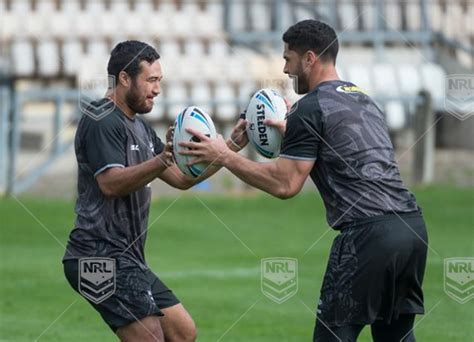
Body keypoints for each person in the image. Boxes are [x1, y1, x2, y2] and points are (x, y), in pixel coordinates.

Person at [179, 20, 428, 342]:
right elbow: (348, 153)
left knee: (331, 337)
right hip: (411, 230)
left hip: (368, 235)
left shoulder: (308, 108)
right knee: (395, 337)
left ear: (309, 58)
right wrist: (294, 135)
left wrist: (224, 155)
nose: (285, 69)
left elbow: (285, 185)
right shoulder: (362, 99)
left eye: (288, 59)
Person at [62, 40, 246, 342]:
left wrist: (231, 149)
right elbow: (110, 183)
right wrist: (162, 159)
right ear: (124, 78)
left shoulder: (141, 127)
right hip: (95, 257)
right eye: (151, 80)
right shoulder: (102, 119)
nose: (157, 89)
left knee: (183, 332)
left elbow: (181, 178)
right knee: (151, 336)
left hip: (128, 258)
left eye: (159, 81)